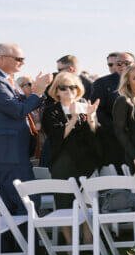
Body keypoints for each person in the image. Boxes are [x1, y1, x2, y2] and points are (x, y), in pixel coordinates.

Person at [0, 44, 51, 213]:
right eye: (18, 59)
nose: (22, 63)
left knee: (18, 204)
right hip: (7, 152)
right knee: (26, 203)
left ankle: (19, 240)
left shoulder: (1, 78)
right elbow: (17, 110)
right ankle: (25, 240)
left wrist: (33, 93)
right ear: (1, 58)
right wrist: (37, 93)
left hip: (10, 151)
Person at [42, 72, 101, 214]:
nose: (69, 90)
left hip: (87, 162)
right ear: (56, 91)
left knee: (89, 204)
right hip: (62, 164)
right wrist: (73, 119)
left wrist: (91, 118)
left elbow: (95, 136)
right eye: (63, 88)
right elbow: (55, 137)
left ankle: (88, 237)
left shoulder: (85, 106)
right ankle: (68, 237)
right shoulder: (51, 111)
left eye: (73, 87)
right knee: (64, 205)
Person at [91, 50, 134, 169]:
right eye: (119, 63)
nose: (123, 66)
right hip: (113, 141)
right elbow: (97, 110)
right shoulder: (102, 83)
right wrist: (117, 129)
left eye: (127, 63)